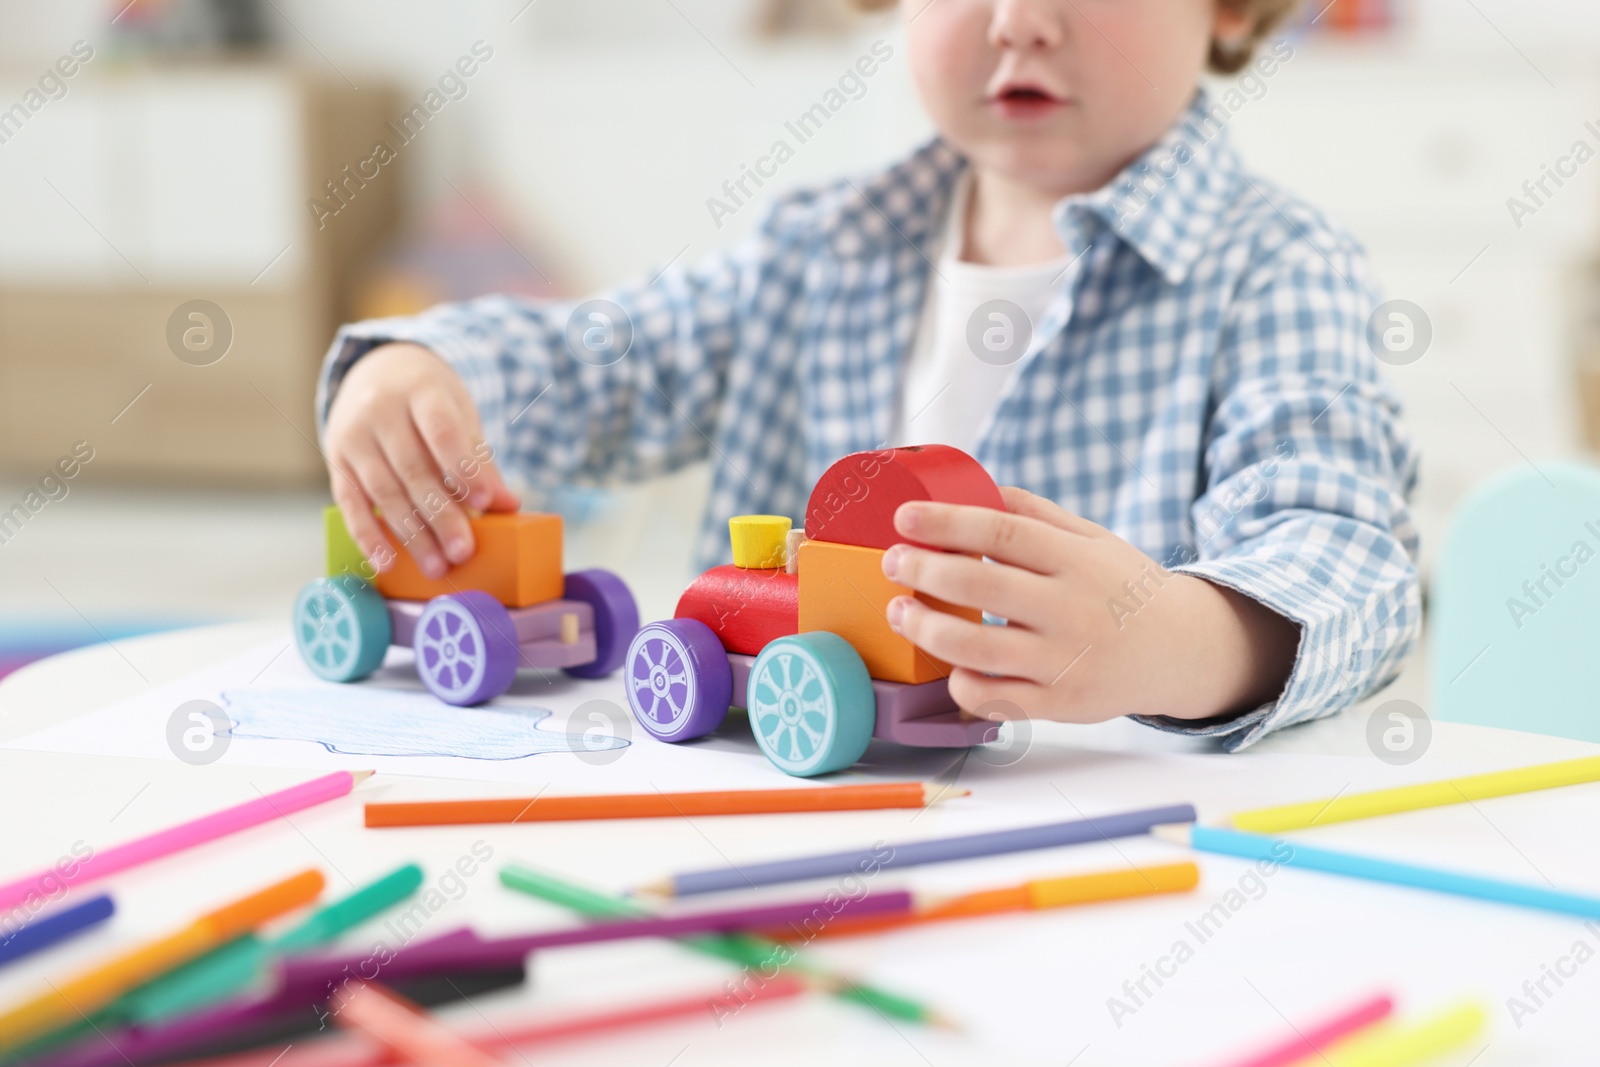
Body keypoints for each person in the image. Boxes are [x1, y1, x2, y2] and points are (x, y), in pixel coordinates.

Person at [316, 0, 1418, 750]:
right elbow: (609, 360)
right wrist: (424, 366)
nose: (1017, 20)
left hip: (1107, 851)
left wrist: (1169, 641)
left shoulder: (1275, 269)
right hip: (789, 812)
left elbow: (1348, 555)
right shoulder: (821, 246)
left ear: (1227, 6)